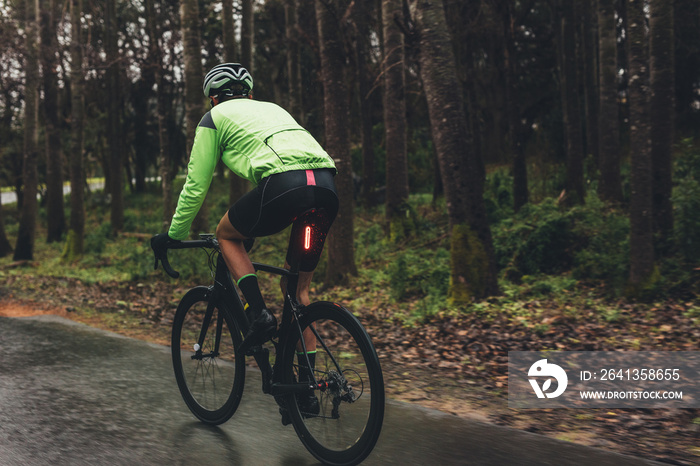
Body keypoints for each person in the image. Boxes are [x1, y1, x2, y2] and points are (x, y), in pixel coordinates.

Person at [151, 63, 338, 362]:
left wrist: (174, 234)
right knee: (299, 293)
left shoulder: (214, 117)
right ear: (249, 95)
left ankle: (260, 314)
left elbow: (196, 185)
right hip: (326, 187)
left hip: (285, 187)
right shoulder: (273, 109)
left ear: (213, 98)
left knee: (226, 234)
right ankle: (308, 386)